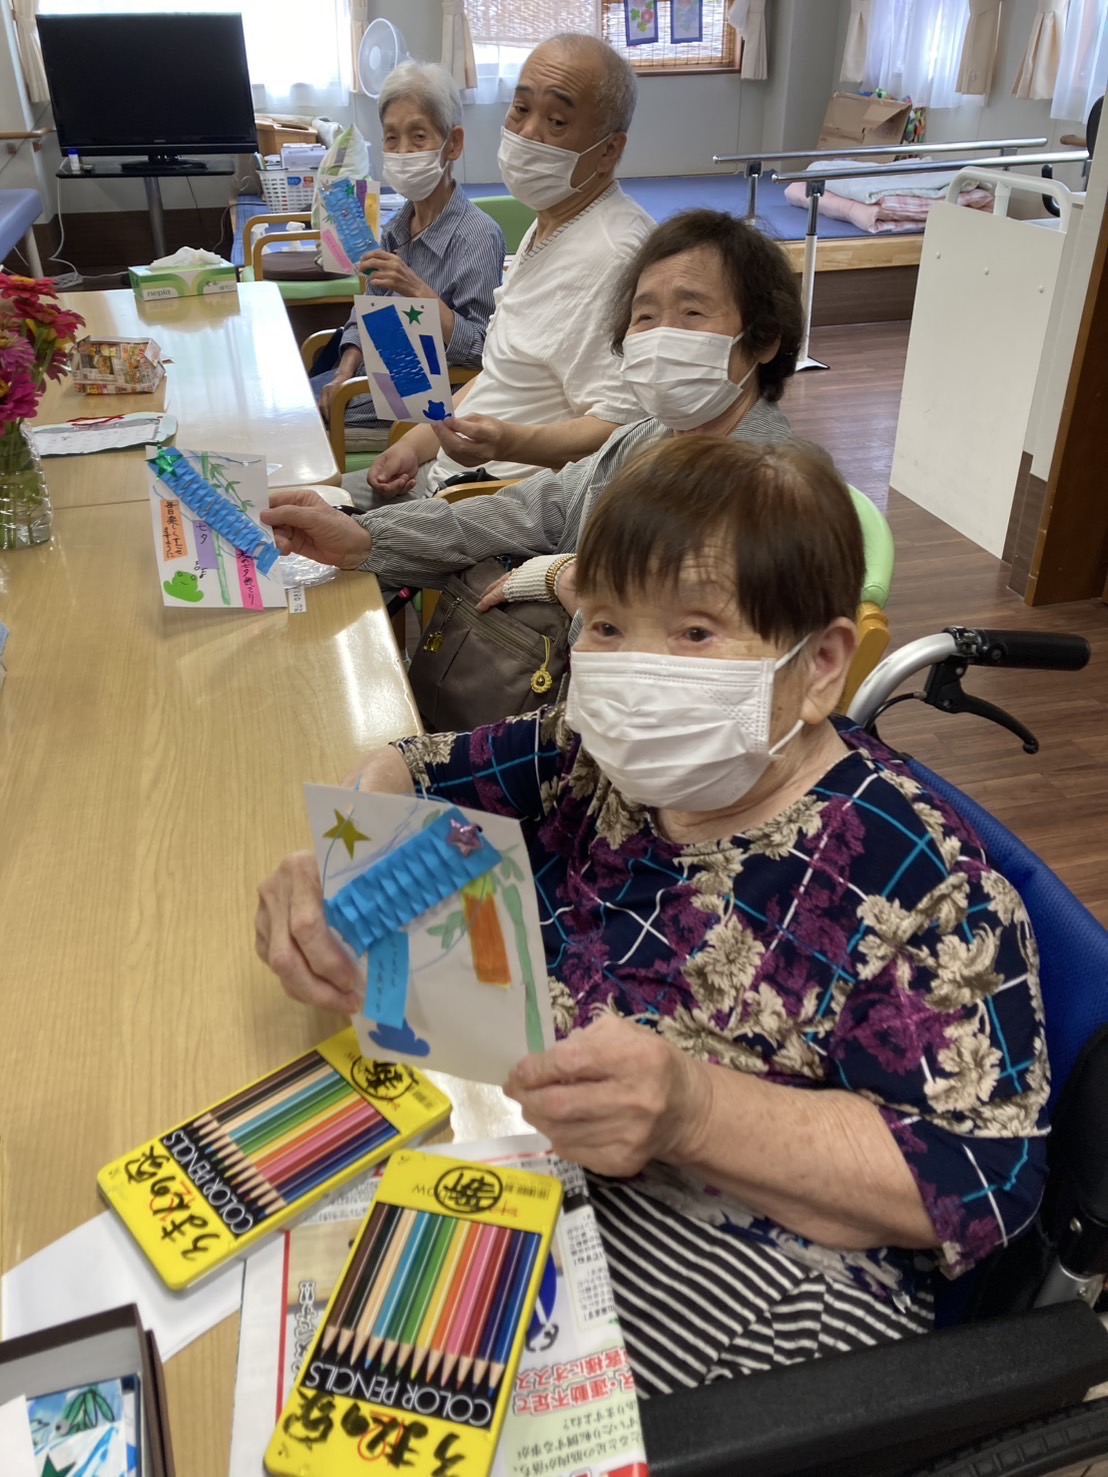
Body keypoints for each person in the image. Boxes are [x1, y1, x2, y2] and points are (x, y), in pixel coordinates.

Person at [256, 437, 1049, 1395]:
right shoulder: (595, 754)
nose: (633, 671)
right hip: (518, 1145)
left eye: (696, 633)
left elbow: (979, 1175)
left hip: (742, 1276)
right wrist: (345, 862)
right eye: (605, 625)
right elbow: (417, 767)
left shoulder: (917, 878)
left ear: (819, 666)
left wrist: (696, 1110)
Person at [264, 208, 804, 635]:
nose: (662, 334)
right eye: (645, 316)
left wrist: (563, 580)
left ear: (763, 340)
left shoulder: (776, 492)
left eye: (692, 312)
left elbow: (676, 657)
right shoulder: (648, 438)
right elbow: (529, 509)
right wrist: (360, 538)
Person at [348, 32, 654, 507]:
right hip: (439, 473)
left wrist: (506, 443)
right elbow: (500, 371)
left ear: (609, 151)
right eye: (520, 109)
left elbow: (623, 428)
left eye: (556, 121)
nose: (527, 133)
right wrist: (415, 443)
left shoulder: (615, 256)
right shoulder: (549, 224)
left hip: (491, 500)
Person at [309, 61, 505, 466]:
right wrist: (343, 372)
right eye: (391, 138)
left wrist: (417, 292)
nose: (402, 152)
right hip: (366, 381)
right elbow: (366, 315)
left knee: (291, 431)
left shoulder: (478, 236)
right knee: (278, 402)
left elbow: (485, 353)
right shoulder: (396, 228)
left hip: (418, 403)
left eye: (418, 137)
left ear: (453, 144)